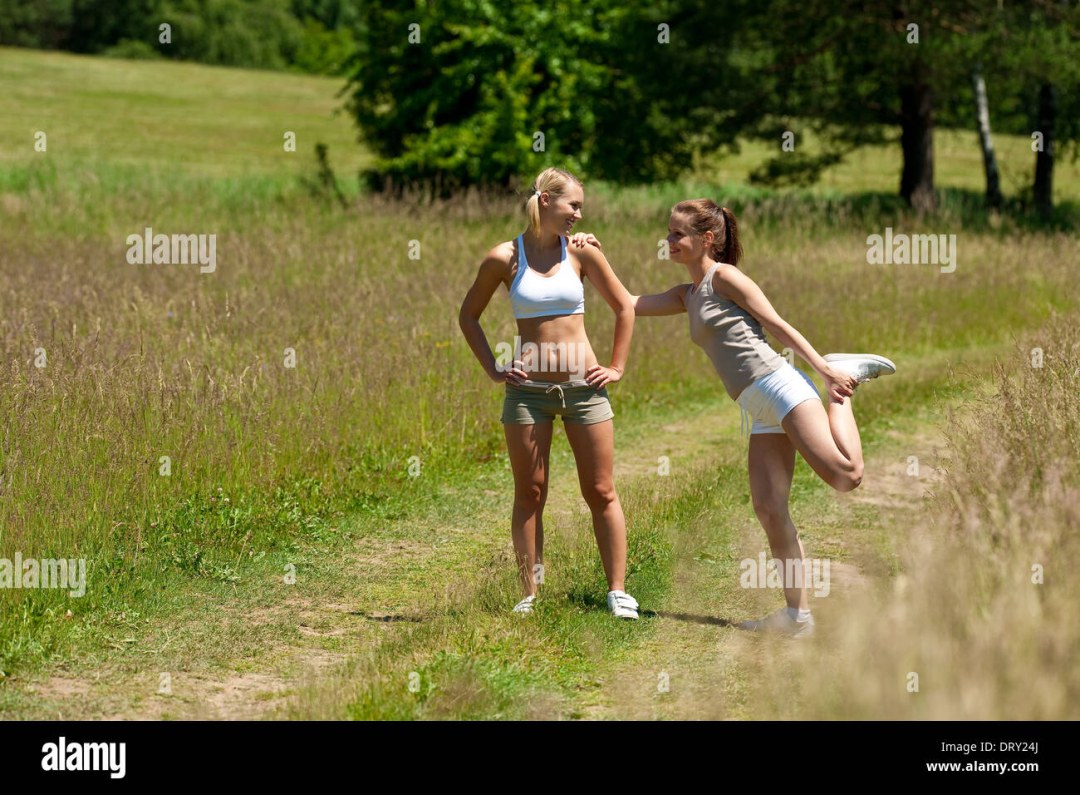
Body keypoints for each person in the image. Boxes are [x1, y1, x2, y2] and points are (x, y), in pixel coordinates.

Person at [582, 199, 895, 637]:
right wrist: (590, 255)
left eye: (678, 234)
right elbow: (628, 302)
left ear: (706, 239)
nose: (669, 241)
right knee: (769, 508)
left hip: (780, 387)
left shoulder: (724, 278)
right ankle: (797, 616)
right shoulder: (686, 294)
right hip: (756, 407)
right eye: (669, 233)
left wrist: (826, 372)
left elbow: (778, 325)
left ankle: (843, 387)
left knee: (848, 475)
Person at [458, 167, 640, 619]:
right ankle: (530, 595)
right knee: (530, 492)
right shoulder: (504, 257)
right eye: (572, 205)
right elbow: (468, 316)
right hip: (527, 393)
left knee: (600, 491)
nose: (578, 214)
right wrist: (496, 369)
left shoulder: (582, 253)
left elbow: (625, 306)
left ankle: (617, 591)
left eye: (580, 207)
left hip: (584, 389)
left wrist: (616, 367)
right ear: (545, 201)